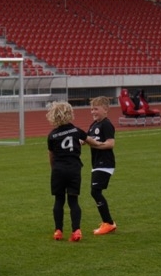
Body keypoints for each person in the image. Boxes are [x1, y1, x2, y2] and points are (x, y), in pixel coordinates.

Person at [46, 101, 104, 242]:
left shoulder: (52, 135)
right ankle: (76, 231)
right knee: (73, 201)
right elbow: (90, 141)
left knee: (59, 200)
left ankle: (58, 231)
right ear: (70, 114)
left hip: (58, 170)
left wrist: (54, 169)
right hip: (74, 169)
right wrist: (101, 144)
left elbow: (51, 155)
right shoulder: (76, 131)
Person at [87, 96, 117, 235]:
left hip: (105, 163)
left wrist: (96, 145)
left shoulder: (106, 124)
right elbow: (86, 139)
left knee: (95, 191)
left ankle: (108, 223)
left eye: (96, 109)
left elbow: (110, 143)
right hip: (97, 163)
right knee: (95, 191)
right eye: (92, 109)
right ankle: (107, 222)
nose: (93, 111)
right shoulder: (93, 125)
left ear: (105, 110)